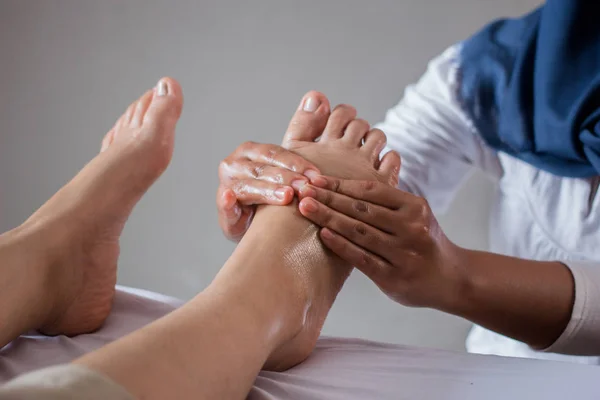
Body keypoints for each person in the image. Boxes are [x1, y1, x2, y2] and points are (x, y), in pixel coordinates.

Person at [216, 0, 600, 364]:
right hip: (499, 371)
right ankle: (278, 313)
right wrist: (289, 197)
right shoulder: (510, 69)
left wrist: (457, 276)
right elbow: (380, 180)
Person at [0, 79, 403, 398]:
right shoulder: (457, 76)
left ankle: (48, 260)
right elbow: (394, 179)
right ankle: (270, 298)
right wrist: (317, 190)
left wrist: (448, 271)